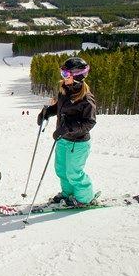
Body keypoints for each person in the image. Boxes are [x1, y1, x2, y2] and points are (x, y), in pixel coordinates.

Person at [37, 57, 96, 207]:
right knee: (61, 170)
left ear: (76, 76)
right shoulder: (65, 91)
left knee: (74, 173)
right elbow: (60, 107)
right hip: (63, 139)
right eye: (62, 72)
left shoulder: (86, 99)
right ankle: (68, 193)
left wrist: (67, 127)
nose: (62, 76)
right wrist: (48, 112)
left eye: (65, 73)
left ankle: (85, 198)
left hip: (78, 143)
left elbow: (89, 122)